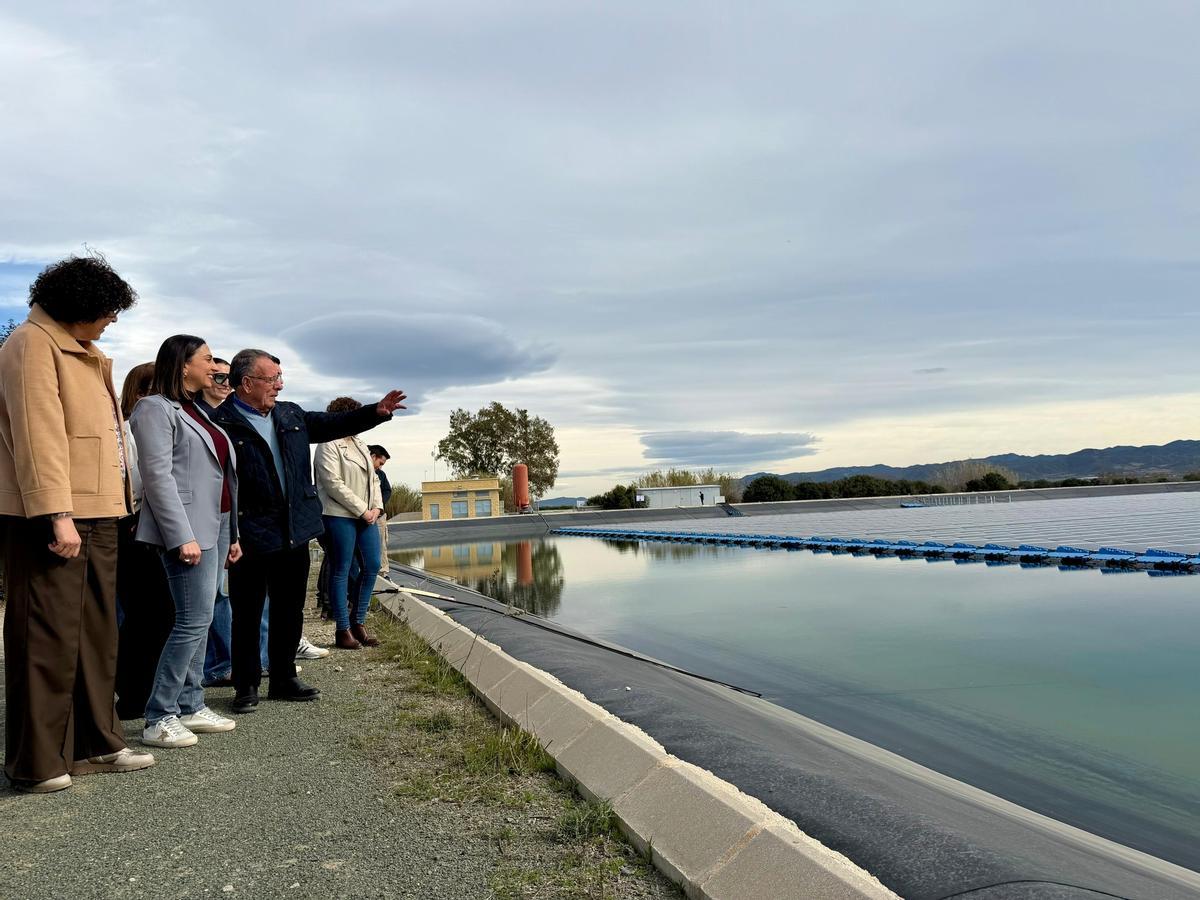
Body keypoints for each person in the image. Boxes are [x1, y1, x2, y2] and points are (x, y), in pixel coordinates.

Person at [0, 254, 154, 792]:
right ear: (80, 305)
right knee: (44, 637)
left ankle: (98, 744)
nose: (113, 319)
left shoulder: (82, 350)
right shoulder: (30, 344)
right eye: (108, 311)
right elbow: (37, 434)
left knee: (95, 634)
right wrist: (56, 514)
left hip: (99, 510)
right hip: (52, 515)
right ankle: (37, 761)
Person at [208, 349, 405, 713]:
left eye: (281, 378)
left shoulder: (290, 414)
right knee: (248, 613)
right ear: (247, 383)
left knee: (289, 608)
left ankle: (284, 678)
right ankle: (246, 684)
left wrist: (374, 413)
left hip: (294, 531)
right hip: (249, 533)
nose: (279, 386)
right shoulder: (220, 422)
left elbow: (331, 423)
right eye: (272, 379)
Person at [131, 336, 242, 747]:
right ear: (183, 366)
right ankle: (159, 715)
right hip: (187, 532)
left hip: (216, 527)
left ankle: (191, 705)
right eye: (208, 359)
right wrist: (182, 536)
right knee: (191, 621)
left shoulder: (198, 410)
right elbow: (159, 478)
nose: (214, 366)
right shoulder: (154, 409)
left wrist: (233, 535)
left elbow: (220, 477)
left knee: (203, 620)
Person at [114, 362, 177, 720]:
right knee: (145, 613)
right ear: (139, 393)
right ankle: (132, 692)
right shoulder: (129, 429)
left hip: (148, 529)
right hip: (132, 527)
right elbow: (139, 480)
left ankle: (139, 687)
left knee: (155, 613)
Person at [315, 399, 385, 650]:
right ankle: (342, 629)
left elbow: (374, 480)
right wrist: (362, 509)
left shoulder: (360, 444)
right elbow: (332, 483)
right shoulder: (327, 443)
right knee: (341, 569)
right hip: (338, 515)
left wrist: (376, 507)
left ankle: (359, 621)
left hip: (367, 516)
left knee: (372, 565)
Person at [196, 358, 234, 687]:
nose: (224, 382)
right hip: (202, 519)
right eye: (218, 375)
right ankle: (216, 665)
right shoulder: (192, 414)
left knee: (224, 595)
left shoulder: (228, 418)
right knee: (210, 599)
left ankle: (234, 660)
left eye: (230, 377)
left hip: (228, 518)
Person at [367, 444, 392, 578]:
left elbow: (388, 491)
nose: (380, 466)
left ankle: (383, 572)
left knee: (381, 544)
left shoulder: (381, 475)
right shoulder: (361, 472)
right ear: (372, 456)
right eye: (380, 463)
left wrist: (379, 507)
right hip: (363, 515)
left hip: (379, 516)